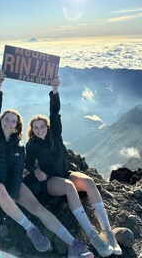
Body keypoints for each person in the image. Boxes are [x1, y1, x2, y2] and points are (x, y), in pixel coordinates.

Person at [0, 70, 94, 258]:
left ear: (17, 126)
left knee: (38, 208)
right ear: (0, 122)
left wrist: (15, 192)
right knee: (0, 188)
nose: (9, 122)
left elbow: (17, 171)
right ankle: (31, 230)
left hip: (10, 184)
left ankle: (74, 245)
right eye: (6, 119)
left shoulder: (19, 147)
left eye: (13, 121)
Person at [24, 76, 122, 258]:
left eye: (42, 126)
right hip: (51, 181)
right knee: (69, 187)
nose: (39, 129)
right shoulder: (31, 145)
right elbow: (27, 162)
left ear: (47, 126)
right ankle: (92, 236)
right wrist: (35, 170)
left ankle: (107, 233)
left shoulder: (56, 134)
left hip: (66, 172)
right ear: (32, 129)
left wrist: (55, 90)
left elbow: (55, 112)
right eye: (35, 127)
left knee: (90, 182)